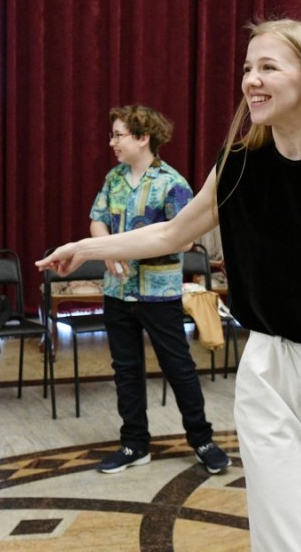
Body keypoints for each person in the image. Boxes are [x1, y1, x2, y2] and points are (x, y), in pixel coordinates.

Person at [38, 19, 301, 551]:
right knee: (283, 543)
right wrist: (86, 248)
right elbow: (172, 232)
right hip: (270, 369)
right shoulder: (238, 165)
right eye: (247, 67)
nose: (250, 80)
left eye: (268, 67)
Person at [87, 104, 229, 475]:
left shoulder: (172, 183)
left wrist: (128, 248)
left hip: (159, 294)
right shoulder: (114, 178)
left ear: (142, 137)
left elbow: (184, 239)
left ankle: (202, 440)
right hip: (117, 291)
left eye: (118, 135)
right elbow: (97, 221)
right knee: (126, 370)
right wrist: (107, 251)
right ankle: (134, 444)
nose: (112, 142)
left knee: (178, 367)